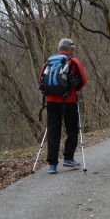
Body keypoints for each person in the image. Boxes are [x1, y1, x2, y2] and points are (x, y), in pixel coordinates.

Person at [38, 38, 87, 174]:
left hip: (51, 102)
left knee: (53, 132)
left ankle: (52, 165)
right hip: (69, 101)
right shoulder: (73, 61)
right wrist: (75, 89)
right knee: (72, 130)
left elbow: (41, 80)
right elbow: (83, 80)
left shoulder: (49, 62)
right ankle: (68, 158)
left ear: (60, 48)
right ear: (69, 48)